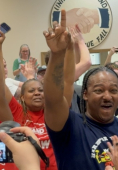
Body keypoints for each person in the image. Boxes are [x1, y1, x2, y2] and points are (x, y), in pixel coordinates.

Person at [43, 9, 118, 170]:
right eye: (99, 90)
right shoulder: (69, 127)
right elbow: (53, 99)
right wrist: (57, 54)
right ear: (85, 94)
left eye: (113, 90)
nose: (107, 96)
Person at [0, 18, 52, 170]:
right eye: (31, 91)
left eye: (40, 90)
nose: (37, 93)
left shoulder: (54, 115)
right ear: (22, 97)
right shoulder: (17, 113)